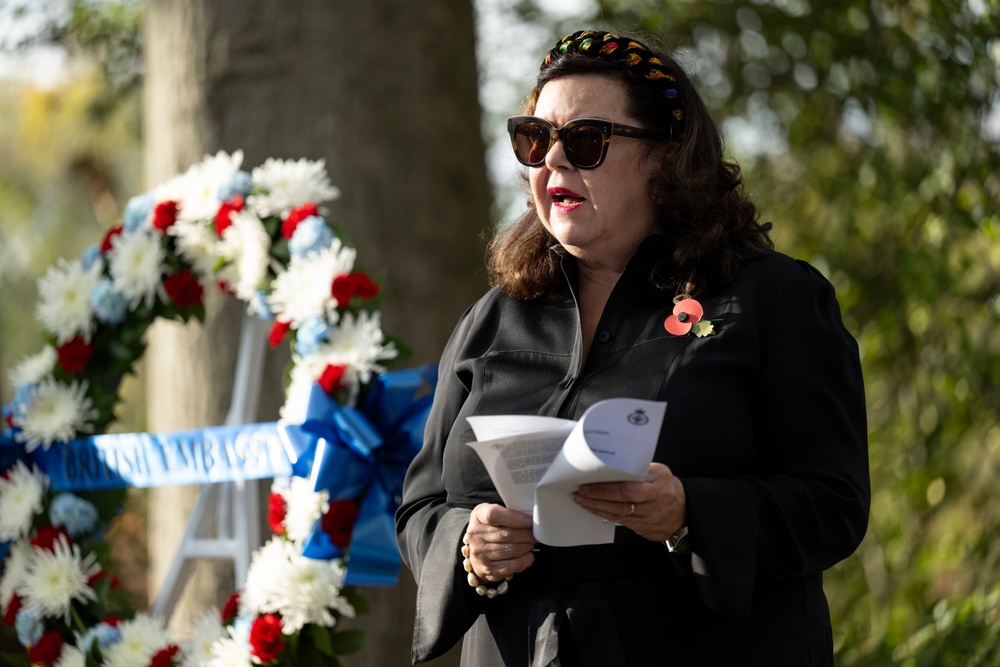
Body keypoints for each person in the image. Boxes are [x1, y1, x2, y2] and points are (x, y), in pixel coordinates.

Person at [395, 29, 869, 667]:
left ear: (667, 159)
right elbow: (421, 506)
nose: (553, 162)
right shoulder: (491, 318)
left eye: (586, 141)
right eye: (535, 139)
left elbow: (833, 504)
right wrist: (469, 547)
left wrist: (687, 512)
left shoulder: (772, 299)